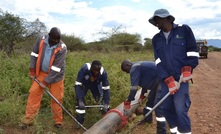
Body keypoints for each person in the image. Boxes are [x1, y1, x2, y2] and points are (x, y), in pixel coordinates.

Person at [149, 9, 199, 134]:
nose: (156, 24)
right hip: (167, 79)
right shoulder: (156, 39)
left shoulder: (184, 30)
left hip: (182, 76)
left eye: (157, 20)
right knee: (166, 108)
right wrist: (168, 80)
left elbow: (192, 52)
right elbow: (158, 61)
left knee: (180, 108)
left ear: (164, 18)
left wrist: (187, 69)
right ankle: (175, 131)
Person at [20, 27, 67, 129]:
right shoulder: (40, 39)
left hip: (56, 77)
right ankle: (28, 120)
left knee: (56, 99)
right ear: (49, 35)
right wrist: (32, 70)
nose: (55, 41)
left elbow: (56, 68)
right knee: (33, 94)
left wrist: (46, 82)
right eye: (53, 39)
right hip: (41, 73)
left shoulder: (62, 48)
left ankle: (58, 122)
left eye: (57, 39)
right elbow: (34, 54)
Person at [121, 60, 167, 134]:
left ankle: (162, 131)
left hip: (162, 80)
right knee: (149, 103)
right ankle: (148, 119)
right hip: (157, 82)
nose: (128, 73)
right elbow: (145, 81)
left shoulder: (134, 68)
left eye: (126, 71)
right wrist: (142, 95)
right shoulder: (138, 66)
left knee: (158, 105)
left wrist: (129, 100)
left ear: (127, 65)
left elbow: (134, 87)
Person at [74, 60, 110, 125]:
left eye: (97, 71)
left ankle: (105, 119)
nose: (96, 73)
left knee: (101, 99)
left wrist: (106, 102)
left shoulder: (103, 73)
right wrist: (80, 99)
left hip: (95, 85)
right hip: (84, 84)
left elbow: (106, 88)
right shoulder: (84, 69)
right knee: (80, 103)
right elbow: (78, 84)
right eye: (94, 70)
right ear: (91, 68)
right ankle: (79, 121)